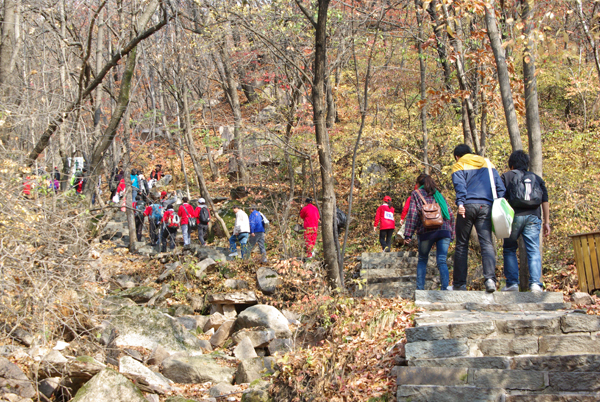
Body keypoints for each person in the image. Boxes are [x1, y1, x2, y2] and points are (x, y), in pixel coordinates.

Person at [451, 144, 506, 293]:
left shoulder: (459, 165)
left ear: (457, 156)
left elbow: (460, 185)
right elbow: (500, 187)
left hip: (467, 206)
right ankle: (490, 280)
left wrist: (460, 202)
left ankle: (459, 284)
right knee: (486, 243)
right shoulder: (488, 163)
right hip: (486, 207)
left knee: (462, 244)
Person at [501, 150, 550, 292]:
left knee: (509, 248)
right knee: (533, 250)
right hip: (533, 216)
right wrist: (547, 222)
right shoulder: (536, 178)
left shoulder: (507, 176)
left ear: (511, 164)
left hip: (514, 216)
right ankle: (535, 284)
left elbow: (501, 199)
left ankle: (512, 284)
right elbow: (545, 201)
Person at [403, 174, 455, 290]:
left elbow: (413, 214)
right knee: (442, 260)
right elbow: (450, 214)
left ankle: (420, 289)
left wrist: (408, 233)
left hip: (427, 231)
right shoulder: (438, 195)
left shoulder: (416, 194)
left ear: (419, 184)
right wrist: (452, 233)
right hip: (444, 229)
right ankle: (445, 288)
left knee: (422, 259)